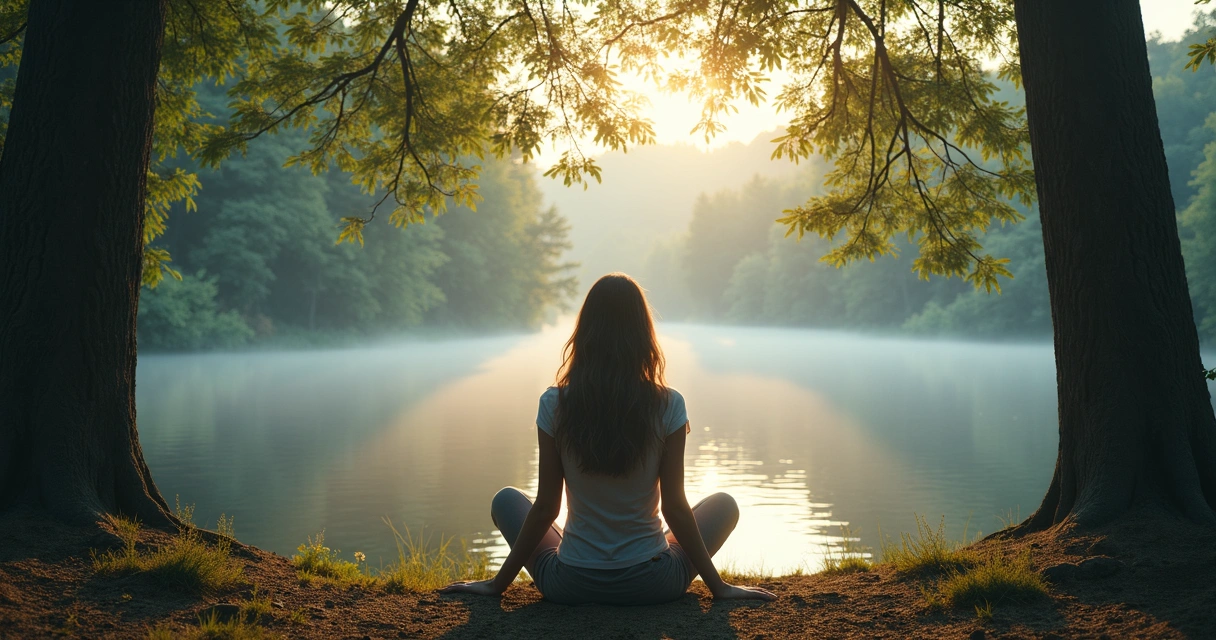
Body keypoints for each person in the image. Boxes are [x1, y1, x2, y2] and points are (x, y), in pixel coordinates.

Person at [440, 273, 776, 605]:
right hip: (654, 583)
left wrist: (498, 585)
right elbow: (674, 506)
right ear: (644, 334)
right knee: (723, 506)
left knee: (506, 500)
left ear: (585, 332)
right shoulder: (669, 404)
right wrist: (719, 588)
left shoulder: (555, 403)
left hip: (568, 584)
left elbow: (546, 507)